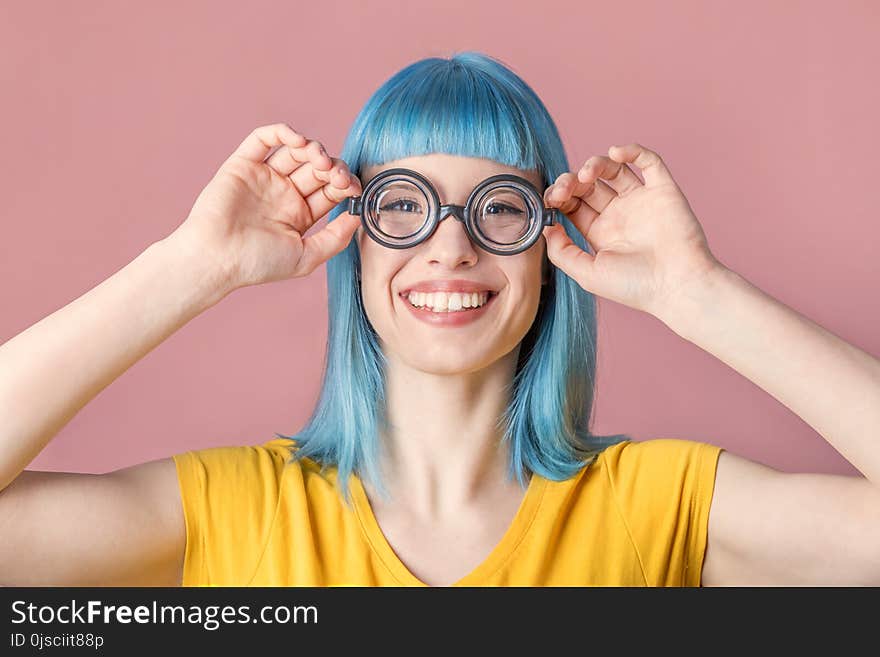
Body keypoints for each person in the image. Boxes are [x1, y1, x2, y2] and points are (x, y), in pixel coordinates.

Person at [1, 52, 878, 587]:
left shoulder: (660, 507)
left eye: (498, 210)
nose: (449, 250)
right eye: (404, 209)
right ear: (354, 242)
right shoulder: (237, 512)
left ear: (549, 241)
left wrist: (701, 295)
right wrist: (193, 266)